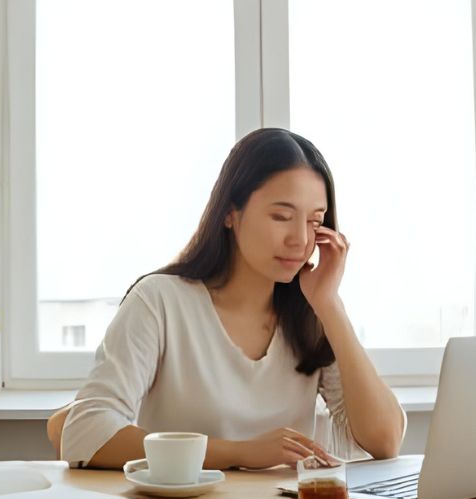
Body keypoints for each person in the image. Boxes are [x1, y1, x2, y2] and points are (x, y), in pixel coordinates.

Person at [46, 127, 406, 470]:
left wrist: (330, 305)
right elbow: (84, 432)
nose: (300, 239)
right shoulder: (159, 301)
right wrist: (239, 453)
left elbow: (385, 440)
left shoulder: (311, 316)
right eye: (281, 216)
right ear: (231, 213)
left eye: (315, 221)